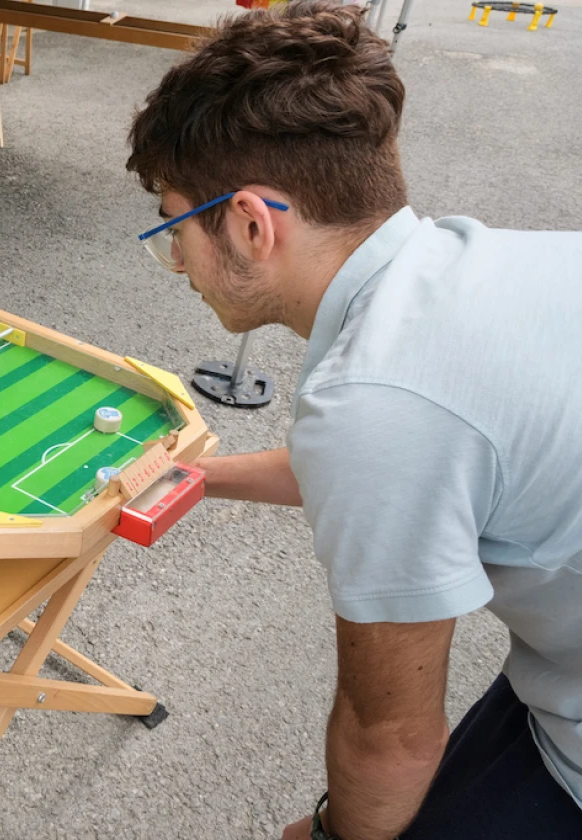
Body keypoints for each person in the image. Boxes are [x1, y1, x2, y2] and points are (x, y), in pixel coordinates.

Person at [126, 3, 581, 839]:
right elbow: (381, 465)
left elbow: (393, 734)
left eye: (173, 229)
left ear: (250, 224)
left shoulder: (375, 402)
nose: (176, 264)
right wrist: (183, 472)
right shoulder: (472, 266)